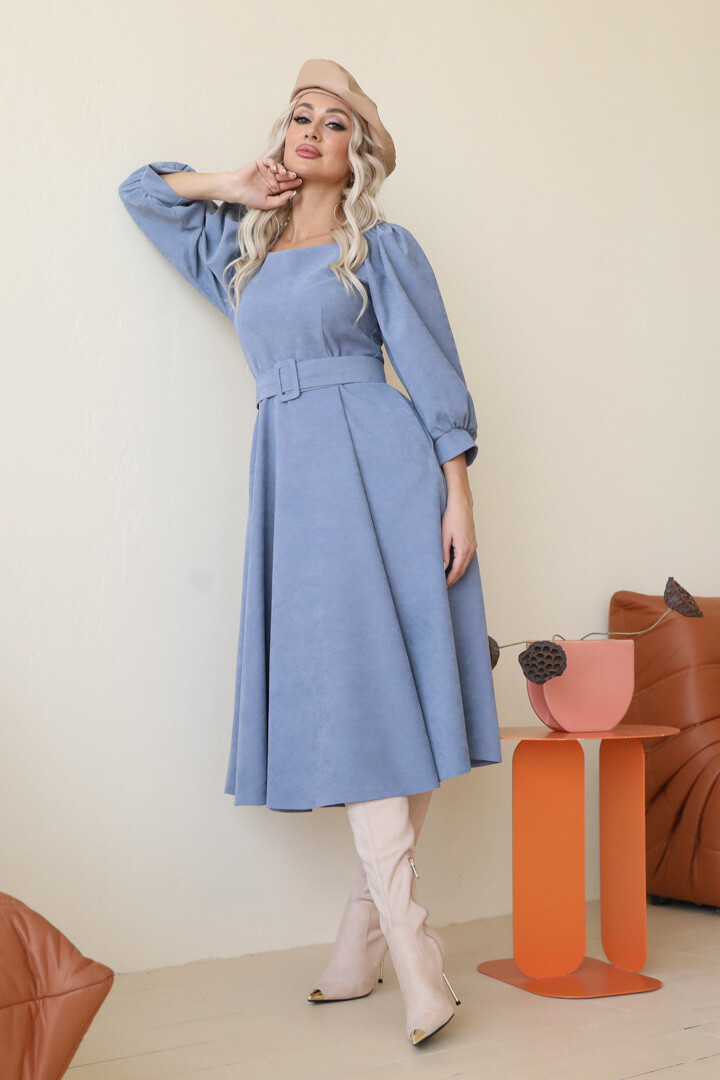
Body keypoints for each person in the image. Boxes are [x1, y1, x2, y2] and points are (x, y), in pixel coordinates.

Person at [118, 58, 502, 1047]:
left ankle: (401, 945)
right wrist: (233, 185)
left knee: (403, 684)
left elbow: (433, 371)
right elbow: (143, 192)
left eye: (334, 122)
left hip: (390, 470)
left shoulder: (382, 246)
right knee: (366, 693)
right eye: (300, 116)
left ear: (356, 151)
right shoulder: (239, 249)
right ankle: (377, 934)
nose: (312, 130)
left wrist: (459, 496)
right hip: (299, 487)